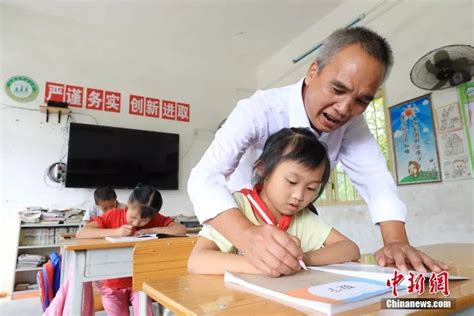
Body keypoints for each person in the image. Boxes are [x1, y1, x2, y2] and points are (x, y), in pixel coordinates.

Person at [188, 26, 448, 277]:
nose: (345, 109)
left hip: (292, 221)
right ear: (313, 71)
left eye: (362, 100)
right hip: (237, 220)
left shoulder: (352, 125)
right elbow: (205, 176)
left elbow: (375, 178)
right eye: (337, 89)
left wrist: (395, 241)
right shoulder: (259, 110)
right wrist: (246, 235)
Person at [188, 128, 360, 274]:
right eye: (292, 181)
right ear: (263, 169)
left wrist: (304, 258)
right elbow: (197, 261)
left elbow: (350, 249)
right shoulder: (237, 207)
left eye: (311, 188)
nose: (299, 195)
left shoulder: (303, 217)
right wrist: (266, 264)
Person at [76, 185, 186, 316]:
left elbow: (180, 229)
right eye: (133, 217)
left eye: (143, 221)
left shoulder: (153, 218)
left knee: (146, 313)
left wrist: (150, 229)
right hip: (112, 285)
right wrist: (115, 232)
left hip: (139, 283)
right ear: (127, 205)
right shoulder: (114, 214)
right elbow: (82, 233)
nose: (136, 223)